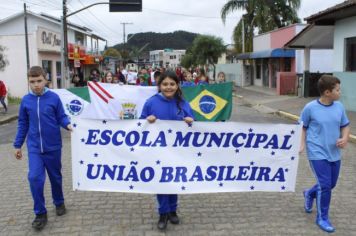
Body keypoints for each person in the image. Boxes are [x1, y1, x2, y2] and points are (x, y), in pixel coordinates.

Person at [13, 66, 72, 231]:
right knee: (34, 178)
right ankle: (40, 213)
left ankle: (59, 202)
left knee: (55, 177)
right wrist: (18, 145)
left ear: (45, 80)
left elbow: (61, 116)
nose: (36, 85)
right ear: (29, 82)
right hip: (34, 149)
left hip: (53, 146)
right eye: (32, 82)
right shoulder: (26, 101)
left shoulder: (54, 98)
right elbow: (23, 123)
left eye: (39, 81)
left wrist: (68, 126)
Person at [140, 71, 194, 230]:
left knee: (174, 180)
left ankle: (172, 210)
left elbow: (194, 125)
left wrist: (191, 121)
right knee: (161, 181)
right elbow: (139, 125)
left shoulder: (183, 103)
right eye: (165, 84)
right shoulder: (150, 102)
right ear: (159, 85)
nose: (168, 87)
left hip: (177, 151)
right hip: (157, 151)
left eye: (172, 84)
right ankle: (163, 212)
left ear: (177, 85)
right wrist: (146, 120)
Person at [299, 74, 350, 233]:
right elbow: (303, 126)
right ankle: (322, 218)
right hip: (316, 151)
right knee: (325, 185)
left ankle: (309, 193)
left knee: (331, 184)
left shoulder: (339, 107)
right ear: (327, 92)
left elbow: (345, 125)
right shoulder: (310, 108)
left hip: (334, 152)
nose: (340, 92)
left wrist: (345, 138)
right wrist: (301, 144)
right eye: (337, 90)